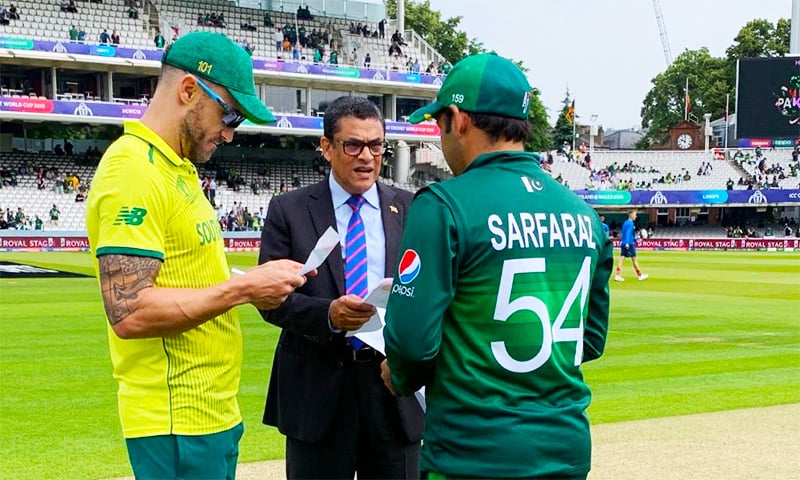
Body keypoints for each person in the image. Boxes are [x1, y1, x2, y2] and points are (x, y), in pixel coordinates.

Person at [85, 31, 309, 480]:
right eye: (229, 114)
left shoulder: (177, 168)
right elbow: (129, 311)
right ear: (189, 90)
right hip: (176, 421)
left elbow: (185, 274)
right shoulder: (133, 170)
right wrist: (243, 287)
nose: (229, 132)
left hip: (208, 415)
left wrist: (250, 283)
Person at [379, 52, 613, 480]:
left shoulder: (443, 205)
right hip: (565, 447)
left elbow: (411, 343)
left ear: (459, 119)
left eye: (440, 124)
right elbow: (591, 340)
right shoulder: (584, 214)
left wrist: (399, 374)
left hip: (473, 452)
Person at [258, 95, 422, 479]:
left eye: (376, 144)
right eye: (353, 145)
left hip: (392, 386)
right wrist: (328, 315)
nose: (367, 156)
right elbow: (270, 300)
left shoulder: (412, 207)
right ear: (327, 148)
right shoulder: (289, 210)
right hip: (317, 392)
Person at [614, 210, 648, 281]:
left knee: (621, 259)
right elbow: (628, 233)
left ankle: (617, 275)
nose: (636, 216)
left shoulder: (625, 223)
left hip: (624, 243)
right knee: (634, 260)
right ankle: (640, 275)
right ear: (631, 215)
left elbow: (627, 234)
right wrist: (627, 243)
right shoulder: (630, 223)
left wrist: (635, 239)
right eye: (635, 215)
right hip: (629, 244)